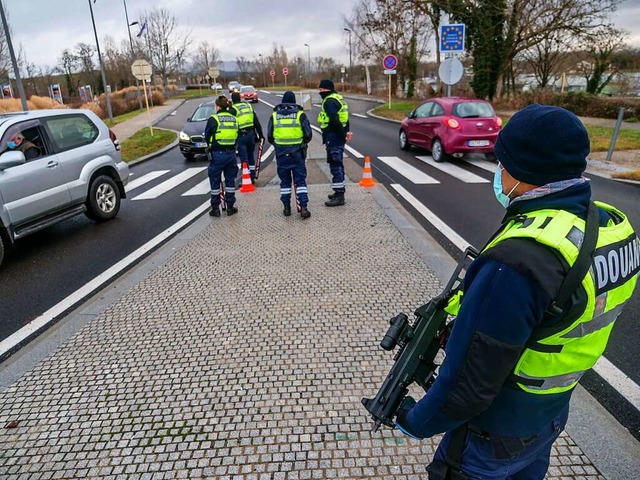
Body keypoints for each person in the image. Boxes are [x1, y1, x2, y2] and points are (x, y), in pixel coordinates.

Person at [395, 104, 639, 480]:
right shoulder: (610, 225)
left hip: (492, 434)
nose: (499, 172)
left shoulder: (518, 260)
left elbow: (467, 387)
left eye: (501, 162)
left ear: (522, 172)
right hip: (549, 416)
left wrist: (415, 421)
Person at [267, 91, 313, 219]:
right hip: (297, 153)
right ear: (294, 102)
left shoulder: (275, 116)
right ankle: (303, 207)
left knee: (285, 182)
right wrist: (301, 143)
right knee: (300, 181)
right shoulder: (300, 115)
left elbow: (270, 136)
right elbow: (308, 134)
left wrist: (279, 145)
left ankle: (286, 208)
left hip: (281, 154)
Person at [317, 79, 352, 207]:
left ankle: (339, 195)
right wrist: (346, 133)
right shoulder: (338, 98)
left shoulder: (329, 102)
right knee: (337, 164)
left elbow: (335, 120)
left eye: (321, 90)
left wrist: (343, 134)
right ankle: (338, 191)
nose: (319, 92)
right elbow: (345, 118)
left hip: (333, 136)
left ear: (327, 89)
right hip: (338, 136)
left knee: (335, 165)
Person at [204, 96, 239, 217]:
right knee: (230, 181)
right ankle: (230, 207)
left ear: (218, 106)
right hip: (231, 154)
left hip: (217, 154)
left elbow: (207, 135)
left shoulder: (214, 119)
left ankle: (216, 208)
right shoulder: (234, 119)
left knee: (215, 181)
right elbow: (237, 134)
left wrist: (209, 145)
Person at [231, 91, 264, 184]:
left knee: (244, 158)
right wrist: (260, 135)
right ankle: (252, 176)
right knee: (251, 156)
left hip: (241, 136)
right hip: (251, 135)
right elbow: (256, 121)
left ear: (233, 100)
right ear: (240, 98)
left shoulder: (233, 109)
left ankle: (246, 178)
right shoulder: (248, 106)